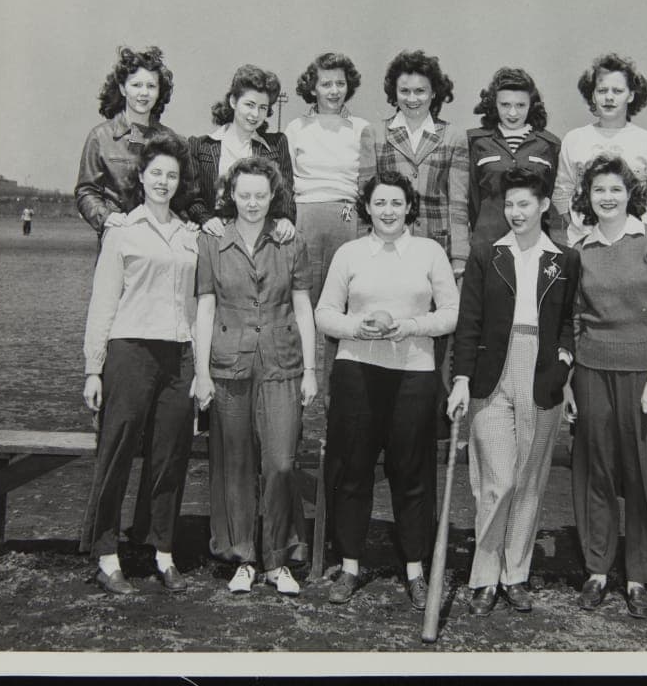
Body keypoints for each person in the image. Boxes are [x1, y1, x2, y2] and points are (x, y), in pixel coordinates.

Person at [315, 170, 459, 609]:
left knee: (412, 474)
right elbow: (325, 313)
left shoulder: (430, 252)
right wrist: (357, 327)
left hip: (414, 374)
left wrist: (411, 327)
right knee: (353, 471)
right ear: (367, 207)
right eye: (380, 203)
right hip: (357, 372)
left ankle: (415, 570)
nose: (388, 211)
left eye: (397, 203)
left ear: (410, 207)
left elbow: (451, 313)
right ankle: (351, 565)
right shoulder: (350, 253)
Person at [447, 167, 580, 616]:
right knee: (496, 481)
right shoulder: (487, 255)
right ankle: (484, 577)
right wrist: (462, 379)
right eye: (510, 204)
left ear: (544, 206)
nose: (516, 212)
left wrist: (562, 362)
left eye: (525, 203)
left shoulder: (564, 258)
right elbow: (469, 325)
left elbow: (567, 323)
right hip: (491, 373)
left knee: (528, 482)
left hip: (541, 373)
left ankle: (515, 575)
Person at [191, 156, 318, 597]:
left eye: (260, 195)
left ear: (272, 196)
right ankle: (243, 557)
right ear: (230, 194)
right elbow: (204, 310)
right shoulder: (211, 242)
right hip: (229, 365)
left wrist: (311, 371)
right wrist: (201, 373)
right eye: (243, 195)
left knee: (281, 462)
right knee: (236, 464)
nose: (251, 203)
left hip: (282, 363)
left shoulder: (290, 240)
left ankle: (278, 559)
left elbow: (303, 306)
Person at [79, 131, 199, 595]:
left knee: (170, 456)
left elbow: (196, 304)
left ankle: (162, 551)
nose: (164, 182)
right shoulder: (122, 231)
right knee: (117, 453)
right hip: (129, 352)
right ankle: (106, 555)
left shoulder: (190, 236)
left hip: (178, 355)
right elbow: (102, 302)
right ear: (142, 178)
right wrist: (94, 368)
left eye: (171, 175)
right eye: (156, 174)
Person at [569, 154, 647, 619]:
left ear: (630, 194)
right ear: (587, 198)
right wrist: (572, 381)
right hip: (592, 371)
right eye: (598, 191)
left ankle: (640, 576)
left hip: (644, 378)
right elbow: (573, 320)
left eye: (615, 189)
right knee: (594, 471)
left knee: (641, 474)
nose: (607, 198)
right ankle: (597, 569)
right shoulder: (580, 250)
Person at [284, 53, 376, 397]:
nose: (334, 90)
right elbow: (286, 181)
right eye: (326, 83)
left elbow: (368, 186)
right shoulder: (296, 128)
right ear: (313, 87)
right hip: (304, 218)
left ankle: (336, 405)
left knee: (340, 315)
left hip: (346, 220)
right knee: (300, 309)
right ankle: (295, 397)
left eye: (340, 83)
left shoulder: (361, 128)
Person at [75, 46, 199, 244]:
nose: (144, 93)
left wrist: (187, 222)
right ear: (123, 88)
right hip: (118, 237)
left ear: (160, 92)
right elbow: (86, 191)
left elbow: (186, 197)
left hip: (164, 241)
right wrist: (106, 217)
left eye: (151, 86)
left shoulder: (173, 141)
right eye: (136, 85)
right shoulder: (100, 137)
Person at [552, 53, 647, 246]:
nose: (609, 97)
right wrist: (582, 230)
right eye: (602, 90)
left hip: (635, 246)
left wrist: (644, 232)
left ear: (631, 95)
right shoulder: (574, 139)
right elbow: (562, 192)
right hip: (584, 245)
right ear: (592, 95)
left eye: (617, 91)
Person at [375, 50, 469, 276]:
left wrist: (459, 257)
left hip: (437, 246)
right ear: (394, 93)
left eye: (420, 91)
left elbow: (458, 203)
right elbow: (365, 198)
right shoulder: (375, 133)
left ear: (434, 93)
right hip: (387, 244)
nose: (412, 98)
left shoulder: (453, 136)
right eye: (404, 91)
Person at [187, 65, 296, 240]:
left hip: (261, 236)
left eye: (262, 107)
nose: (255, 114)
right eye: (249, 105)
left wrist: (285, 218)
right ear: (233, 101)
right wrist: (204, 218)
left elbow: (286, 190)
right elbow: (192, 195)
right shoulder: (200, 145)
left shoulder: (277, 144)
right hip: (216, 235)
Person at [466, 67, 561, 247]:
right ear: (494, 104)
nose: (512, 113)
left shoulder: (549, 144)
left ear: (531, 105)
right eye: (505, 105)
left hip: (533, 241)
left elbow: (549, 196)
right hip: (487, 240)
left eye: (520, 105)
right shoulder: (475, 142)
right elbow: (472, 198)